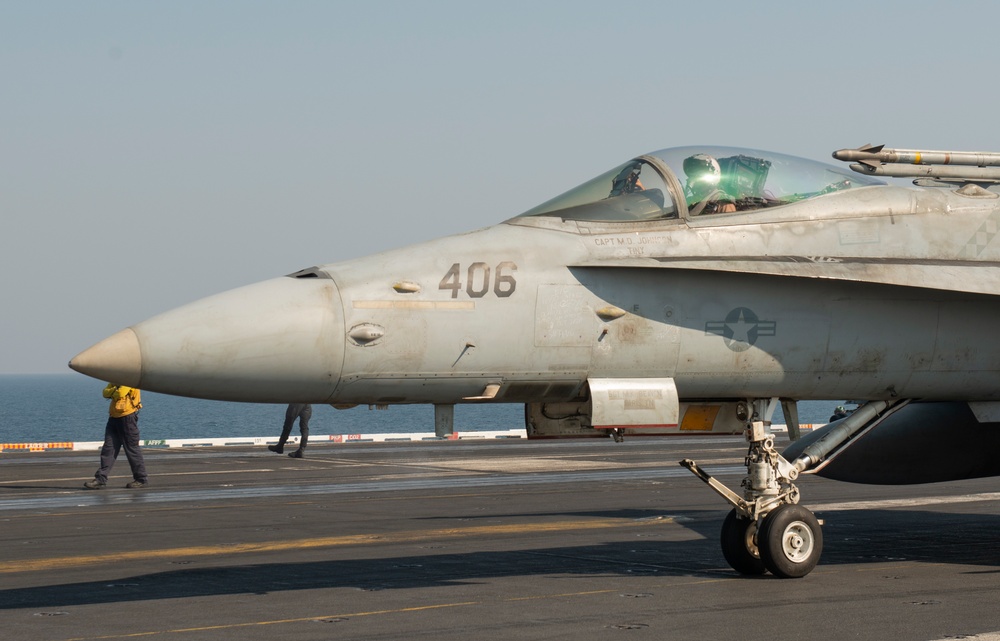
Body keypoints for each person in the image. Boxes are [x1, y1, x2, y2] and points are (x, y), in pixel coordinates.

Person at [83, 383, 148, 489]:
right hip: (113, 418)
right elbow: (105, 393)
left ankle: (141, 479)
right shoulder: (116, 379)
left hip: (127, 418)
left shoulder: (129, 378)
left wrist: (112, 391)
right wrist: (115, 390)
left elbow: (121, 393)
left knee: (132, 450)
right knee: (108, 449)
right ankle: (100, 479)